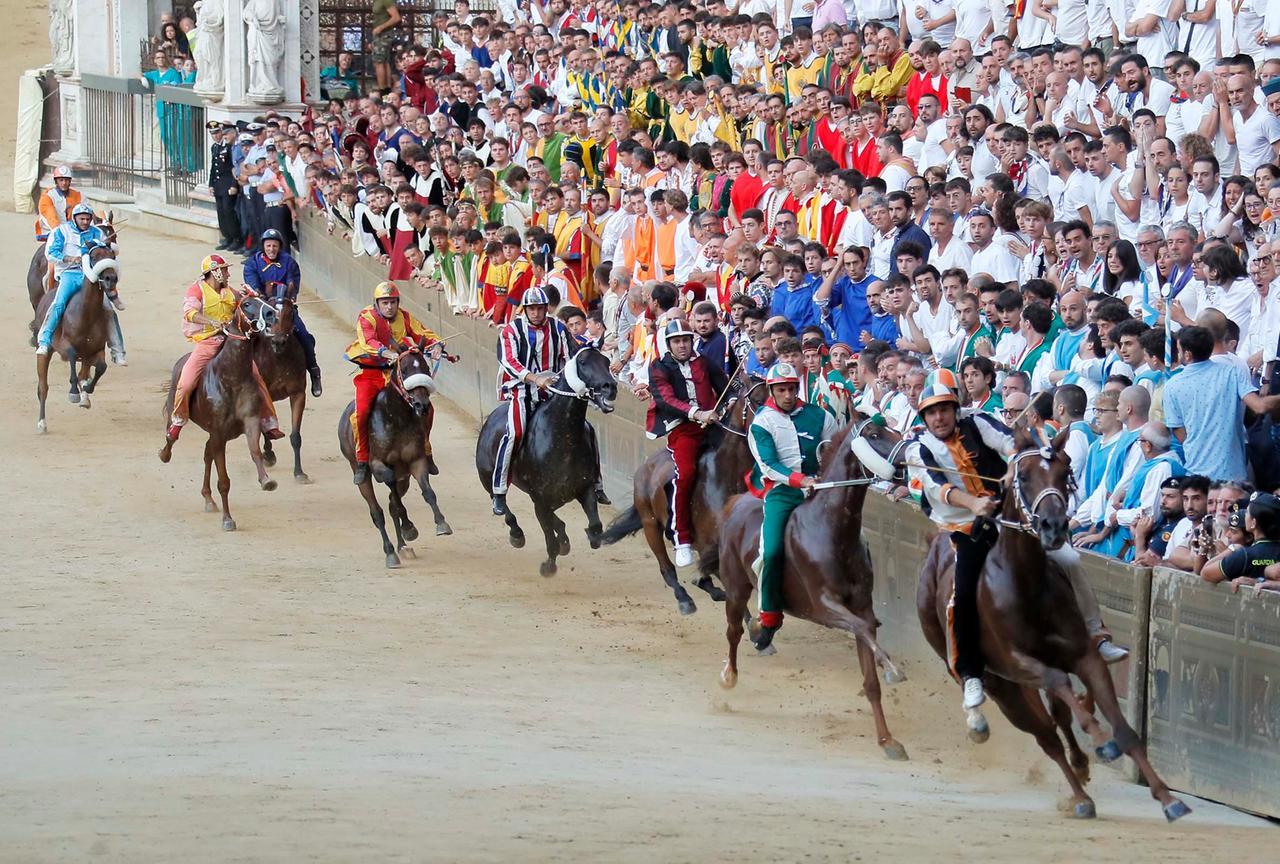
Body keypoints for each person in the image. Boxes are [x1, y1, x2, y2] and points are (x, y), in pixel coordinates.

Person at [746, 361, 838, 651]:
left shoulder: (819, 415)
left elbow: (833, 447)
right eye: (782, 389)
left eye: (792, 389)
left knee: (855, 537)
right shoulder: (761, 423)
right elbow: (769, 466)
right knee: (772, 552)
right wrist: (800, 480)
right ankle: (770, 615)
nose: (787, 394)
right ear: (772, 390)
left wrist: (825, 472)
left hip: (819, 491)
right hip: (782, 494)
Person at [158, 254, 283, 460]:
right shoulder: (197, 290)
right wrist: (210, 321)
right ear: (214, 271)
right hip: (208, 342)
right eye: (224, 270)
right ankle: (178, 420)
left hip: (231, 342)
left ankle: (269, 421)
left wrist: (252, 297)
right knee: (187, 381)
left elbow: (244, 306)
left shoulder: (229, 291)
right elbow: (189, 312)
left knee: (257, 377)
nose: (227, 273)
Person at [646, 319, 728, 568]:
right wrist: (697, 413)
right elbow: (667, 400)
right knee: (685, 474)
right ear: (669, 344)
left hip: (714, 426)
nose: (682, 345)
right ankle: (682, 539)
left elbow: (728, 385)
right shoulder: (659, 367)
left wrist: (731, 401)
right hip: (683, 430)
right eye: (677, 341)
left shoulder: (703, 362)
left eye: (685, 340)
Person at [343, 281, 440, 485]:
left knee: (427, 408)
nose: (389, 307)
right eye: (385, 302)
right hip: (372, 375)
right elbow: (367, 341)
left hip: (397, 375)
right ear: (377, 303)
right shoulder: (366, 317)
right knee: (360, 415)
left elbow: (422, 333)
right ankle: (362, 460)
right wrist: (384, 352)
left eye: (393, 302)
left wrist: (437, 344)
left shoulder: (404, 317)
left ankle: (426, 450)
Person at [491, 285, 572, 516]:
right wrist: (536, 379)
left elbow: (569, 357)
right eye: (532, 309)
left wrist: (560, 378)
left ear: (547, 309)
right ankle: (499, 490)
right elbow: (509, 361)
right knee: (514, 433)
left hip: (554, 388)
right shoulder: (511, 331)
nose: (536, 313)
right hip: (522, 388)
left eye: (540, 308)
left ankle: (596, 484)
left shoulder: (558, 327)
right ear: (525, 309)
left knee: (584, 427)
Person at [36, 203, 125, 364]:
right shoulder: (62, 231)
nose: (85, 221)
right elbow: (51, 253)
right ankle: (44, 340)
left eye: (87, 218)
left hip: (91, 275)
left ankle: (117, 350)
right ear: (75, 218)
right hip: (69, 273)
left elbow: (106, 252)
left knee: (108, 309)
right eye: (82, 218)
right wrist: (69, 258)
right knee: (59, 303)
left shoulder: (97, 233)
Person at [243, 228, 322, 396]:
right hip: (263, 309)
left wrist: (288, 297)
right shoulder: (252, 263)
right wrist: (263, 295)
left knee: (304, 336)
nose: (272, 249)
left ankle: (314, 370)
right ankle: (241, 375)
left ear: (280, 247)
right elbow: (253, 284)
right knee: (244, 337)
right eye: (269, 245)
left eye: (275, 246)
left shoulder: (289, 262)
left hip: (284, 307)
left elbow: (293, 283)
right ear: (263, 246)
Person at [35, 165, 82, 240]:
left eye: (66, 180)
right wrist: (61, 232)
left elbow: (87, 212)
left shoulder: (78, 195)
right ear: (56, 181)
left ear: (70, 181)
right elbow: (51, 219)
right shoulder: (47, 197)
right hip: (51, 232)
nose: (64, 183)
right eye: (61, 180)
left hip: (74, 232)